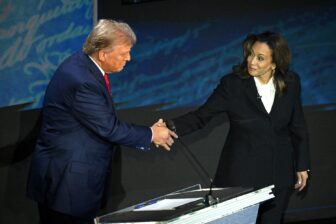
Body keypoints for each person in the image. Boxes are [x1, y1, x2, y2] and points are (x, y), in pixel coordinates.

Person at [26, 19, 177, 224]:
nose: (129, 58)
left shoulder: (83, 64)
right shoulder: (82, 80)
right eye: (124, 53)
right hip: (68, 184)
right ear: (103, 53)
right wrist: (152, 134)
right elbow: (109, 128)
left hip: (67, 179)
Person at [169, 31, 310, 224]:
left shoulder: (291, 82)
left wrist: (302, 165)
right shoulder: (232, 85)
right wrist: (171, 126)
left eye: (260, 58)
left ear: (275, 63)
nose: (252, 61)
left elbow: (297, 125)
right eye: (251, 54)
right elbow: (202, 116)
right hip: (241, 176)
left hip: (279, 173)